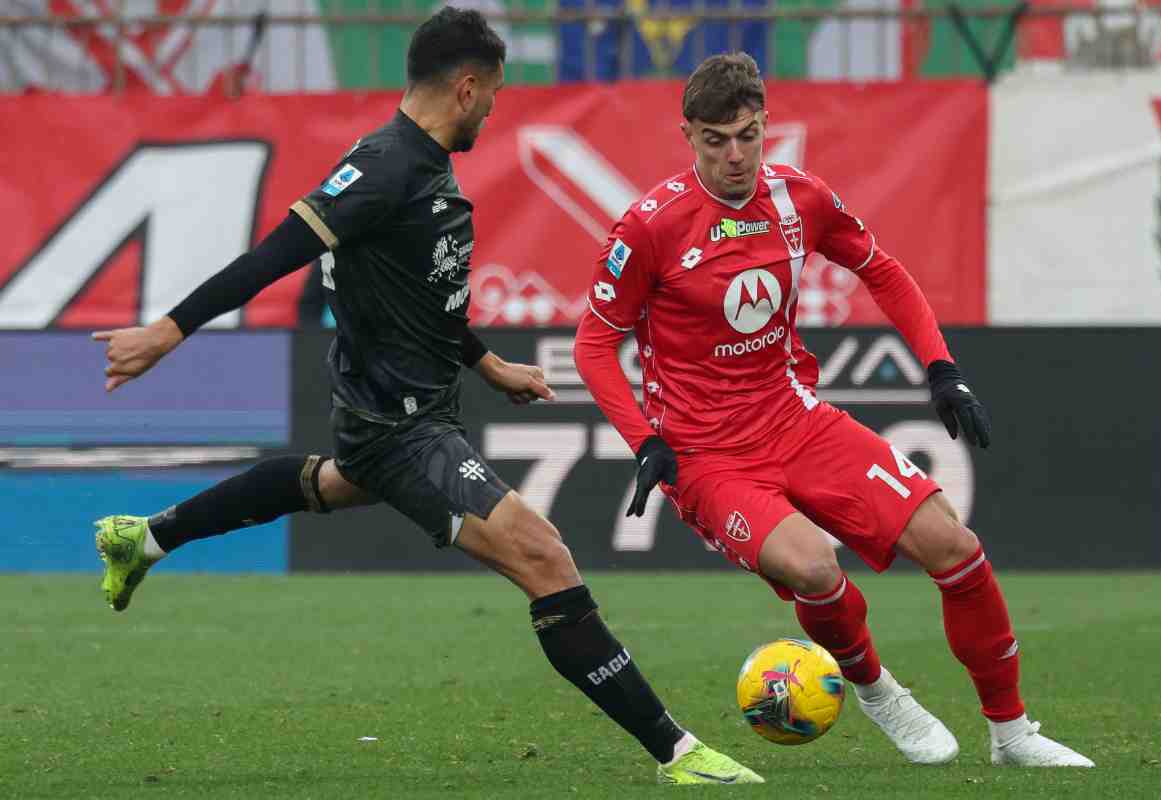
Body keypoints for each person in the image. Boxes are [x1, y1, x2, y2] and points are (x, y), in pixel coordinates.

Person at [90, 9, 761, 786]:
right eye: (495, 97)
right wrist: (170, 330)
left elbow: (418, 291)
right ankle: (678, 753)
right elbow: (277, 251)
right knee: (546, 557)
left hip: (418, 406)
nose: (494, 110)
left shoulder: (422, 161)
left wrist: (487, 364)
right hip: (399, 425)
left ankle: (143, 537)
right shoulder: (381, 167)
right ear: (466, 87)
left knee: (327, 482)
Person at [573, 52, 1094, 769]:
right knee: (814, 566)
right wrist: (645, 442)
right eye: (716, 140)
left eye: (748, 135)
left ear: (766, 127)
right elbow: (594, 345)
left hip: (796, 417)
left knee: (955, 546)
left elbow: (881, 270)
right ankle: (880, 692)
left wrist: (941, 371)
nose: (735, 155)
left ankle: (1013, 733)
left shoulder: (799, 198)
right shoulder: (649, 228)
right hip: (705, 455)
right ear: (687, 135)